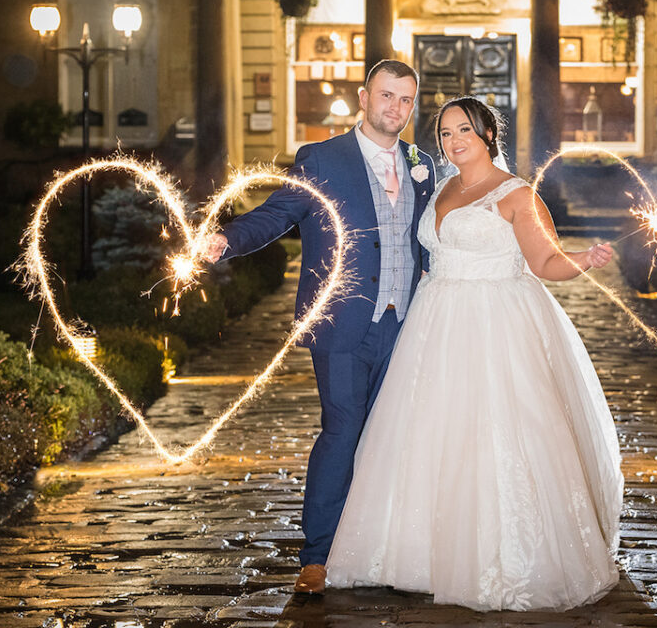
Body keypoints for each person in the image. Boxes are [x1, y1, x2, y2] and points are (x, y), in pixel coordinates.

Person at [326, 96, 622, 611]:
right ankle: (418, 554)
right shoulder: (439, 187)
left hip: (496, 322)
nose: (454, 140)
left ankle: (505, 558)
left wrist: (585, 260)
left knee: (498, 434)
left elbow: (545, 262)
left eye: (464, 130)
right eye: (444, 133)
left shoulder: (516, 194)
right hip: (435, 322)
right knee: (426, 436)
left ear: (488, 135)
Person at [202, 59, 436, 595]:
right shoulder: (322, 158)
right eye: (386, 96)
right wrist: (227, 239)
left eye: (405, 100)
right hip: (345, 323)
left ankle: (381, 547)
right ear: (363, 97)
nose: (395, 108)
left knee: (391, 438)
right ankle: (319, 554)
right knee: (342, 431)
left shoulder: (422, 164)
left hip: (408, 323)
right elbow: (277, 214)